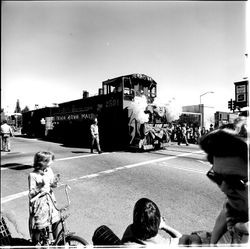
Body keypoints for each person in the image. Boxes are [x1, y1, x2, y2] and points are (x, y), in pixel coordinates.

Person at [179, 117, 248, 245]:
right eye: (217, 177)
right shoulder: (234, 207)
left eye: (235, 181)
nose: (223, 188)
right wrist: (201, 240)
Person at [28, 151, 60, 245]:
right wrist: (40, 187)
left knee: (55, 220)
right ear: (42, 162)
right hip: (40, 203)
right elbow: (31, 193)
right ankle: (35, 242)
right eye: (50, 160)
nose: (52, 162)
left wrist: (55, 182)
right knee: (40, 225)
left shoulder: (49, 170)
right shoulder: (32, 175)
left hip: (50, 199)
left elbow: (52, 185)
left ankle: (56, 241)